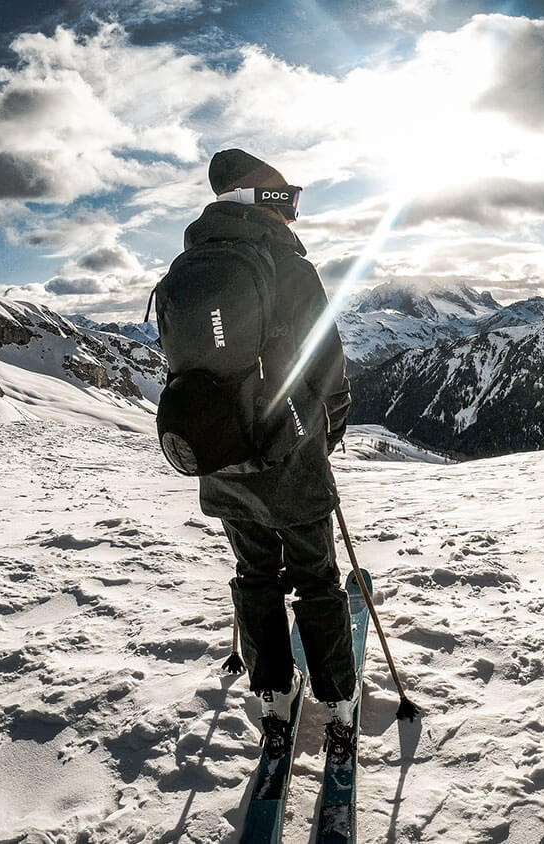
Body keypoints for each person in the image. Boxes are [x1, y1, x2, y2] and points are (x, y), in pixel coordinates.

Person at [183, 149, 355, 756]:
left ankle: (273, 697)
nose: (291, 210)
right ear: (257, 196)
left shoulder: (192, 262)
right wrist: (324, 434)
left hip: (220, 453)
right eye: (283, 195)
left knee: (255, 576)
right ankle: (336, 701)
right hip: (290, 452)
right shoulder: (285, 263)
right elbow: (326, 359)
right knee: (316, 580)